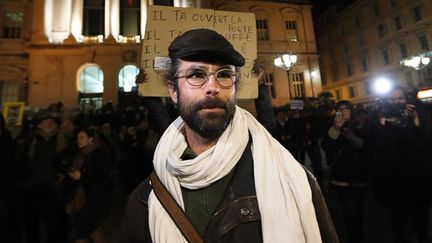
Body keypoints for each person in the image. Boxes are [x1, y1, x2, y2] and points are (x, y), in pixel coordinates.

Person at [120, 28, 338, 243]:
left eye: (224, 74)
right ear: (173, 91)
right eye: (196, 74)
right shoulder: (144, 201)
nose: (213, 87)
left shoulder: (294, 181)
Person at [370, 86, 432, 243]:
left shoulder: (417, 116)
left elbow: (425, 139)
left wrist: (415, 119)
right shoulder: (379, 119)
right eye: (392, 99)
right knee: (398, 226)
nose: (396, 102)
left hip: (417, 180)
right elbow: (377, 146)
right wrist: (381, 123)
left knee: (420, 224)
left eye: (400, 98)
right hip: (393, 182)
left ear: (406, 100)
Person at [321, 100, 371, 243]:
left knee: (360, 214)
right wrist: (336, 129)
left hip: (360, 179)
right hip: (341, 180)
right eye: (340, 109)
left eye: (346, 109)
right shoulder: (331, 127)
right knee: (349, 214)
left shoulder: (360, 125)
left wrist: (353, 138)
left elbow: (368, 147)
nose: (343, 112)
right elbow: (326, 146)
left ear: (351, 111)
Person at [68, 128, 113, 243]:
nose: (78, 140)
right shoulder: (82, 154)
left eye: (82, 137)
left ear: (90, 139)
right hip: (86, 197)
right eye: (77, 138)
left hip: (96, 198)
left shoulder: (98, 153)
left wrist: (82, 176)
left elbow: (101, 175)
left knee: (82, 232)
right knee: (93, 230)